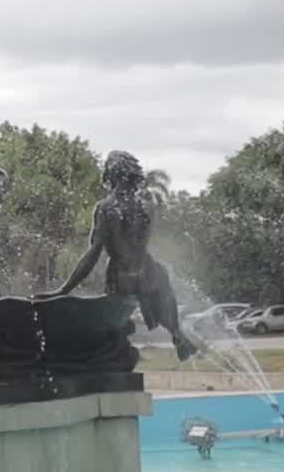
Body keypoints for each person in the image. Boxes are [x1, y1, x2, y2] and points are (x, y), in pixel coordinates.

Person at [36, 151, 193, 360]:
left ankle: (110, 352)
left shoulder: (106, 207)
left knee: (115, 324)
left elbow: (94, 252)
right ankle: (178, 336)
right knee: (164, 299)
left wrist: (65, 289)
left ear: (111, 174)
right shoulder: (145, 207)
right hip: (149, 272)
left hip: (122, 276)